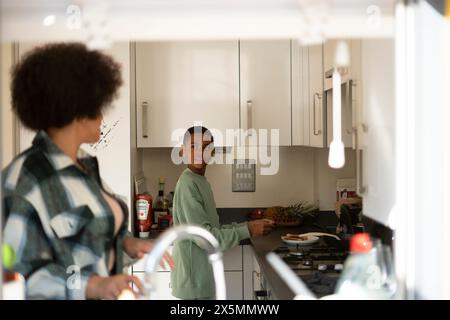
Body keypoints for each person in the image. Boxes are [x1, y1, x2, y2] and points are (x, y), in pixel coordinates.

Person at [1, 43, 174, 300]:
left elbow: (88, 235)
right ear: (76, 109)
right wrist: (94, 286)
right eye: (97, 105)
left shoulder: (84, 168)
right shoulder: (25, 181)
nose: (102, 116)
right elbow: (17, 274)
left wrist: (129, 243)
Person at [171, 126, 275, 299]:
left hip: (200, 281)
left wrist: (249, 225)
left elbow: (213, 228)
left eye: (206, 147)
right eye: (194, 146)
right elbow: (206, 239)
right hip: (193, 286)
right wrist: (248, 230)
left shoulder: (199, 180)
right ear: (183, 151)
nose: (200, 152)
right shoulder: (188, 184)